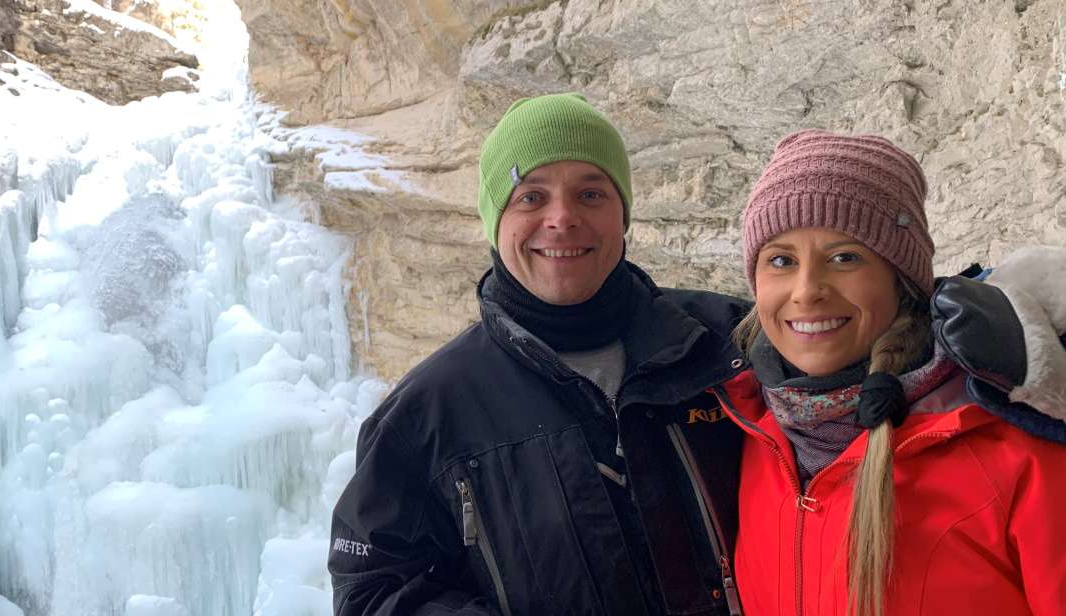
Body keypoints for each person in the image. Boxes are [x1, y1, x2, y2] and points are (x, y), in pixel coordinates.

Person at [328, 93, 753, 615]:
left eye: (591, 194)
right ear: (495, 220)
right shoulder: (427, 412)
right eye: (530, 197)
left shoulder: (730, 342)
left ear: (623, 215)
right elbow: (370, 591)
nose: (562, 218)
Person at [718, 130, 1066, 616]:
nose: (806, 290)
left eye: (845, 257)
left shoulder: (1019, 451)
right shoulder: (754, 431)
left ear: (901, 281)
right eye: (781, 260)